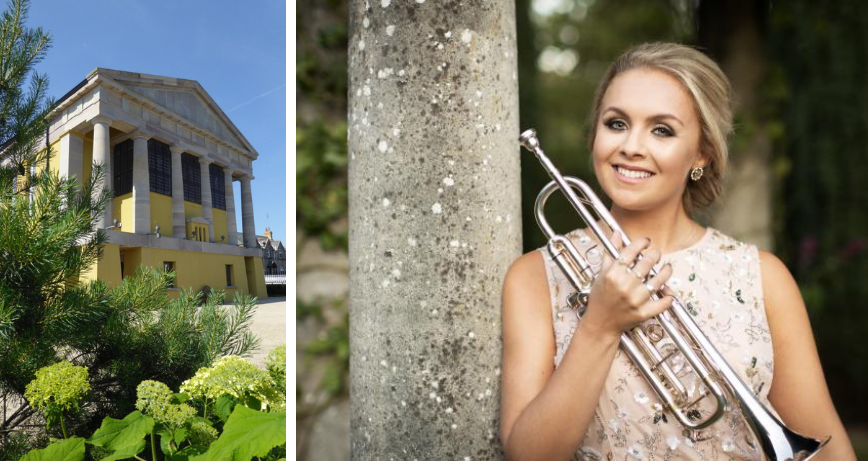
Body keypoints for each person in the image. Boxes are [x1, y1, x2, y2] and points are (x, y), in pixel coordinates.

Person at [500, 42, 856, 460]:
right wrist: (599, 326)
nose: (631, 146)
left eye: (662, 130)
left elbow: (828, 450)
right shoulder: (533, 276)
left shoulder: (761, 276)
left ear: (701, 153)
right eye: (616, 124)